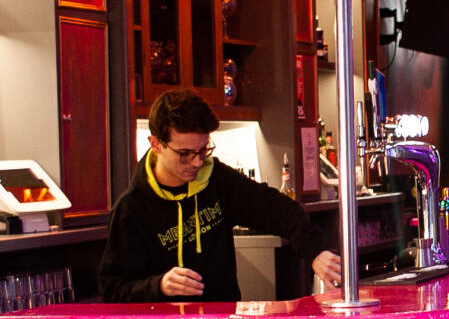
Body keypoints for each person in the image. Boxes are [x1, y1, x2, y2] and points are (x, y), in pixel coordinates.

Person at [100, 91, 344, 302]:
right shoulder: (131, 209)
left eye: (203, 150)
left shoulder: (217, 180)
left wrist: (315, 251)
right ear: (155, 144)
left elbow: (278, 209)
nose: (197, 161)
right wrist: (159, 285)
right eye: (184, 153)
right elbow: (114, 290)